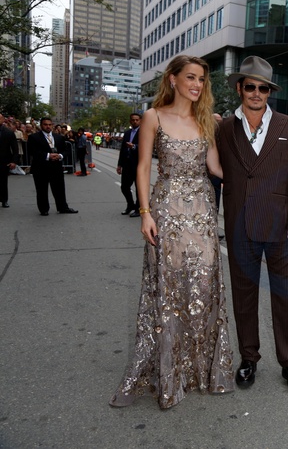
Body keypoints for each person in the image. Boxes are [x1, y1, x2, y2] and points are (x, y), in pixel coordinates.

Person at [109, 55, 234, 409]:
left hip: (202, 213)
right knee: (170, 287)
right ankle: (170, 370)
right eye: (191, 77)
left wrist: (253, 177)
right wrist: (145, 212)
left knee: (204, 286)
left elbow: (214, 167)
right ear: (173, 79)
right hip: (167, 211)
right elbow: (143, 167)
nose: (197, 84)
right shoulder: (153, 116)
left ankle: (198, 367)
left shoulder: (205, 120)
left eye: (201, 79)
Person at [216, 55, 288, 393]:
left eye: (263, 88)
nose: (256, 93)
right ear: (240, 88)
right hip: (240, 225)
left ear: (270, 92)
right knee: (243, 296)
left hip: (282, 226)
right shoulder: (223, 128)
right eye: (250, 86)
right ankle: (249, 357)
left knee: (286, 296)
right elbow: (212, 172)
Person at [28, 117, 78, 216]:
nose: (48, 126)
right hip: (40, 167)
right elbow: (32, 151)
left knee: (59, 188)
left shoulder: (59, 137)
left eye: (50, 124)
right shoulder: (34, 137)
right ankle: (44, 209)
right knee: (41, 189)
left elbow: (66, 150)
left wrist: (60, 155)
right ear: (41, 125)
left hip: (56, 166)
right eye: (45, 124)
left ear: (52, 125)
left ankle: (62, 207)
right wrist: (48, 156)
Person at [116, 114, 141, 216]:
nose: (135, 121)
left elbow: (147, 147)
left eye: (137, 120)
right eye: (133, 120)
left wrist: (134, 146)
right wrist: (119, 165)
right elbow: (122, 149)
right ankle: (130, 205)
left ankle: (138, 209)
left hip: (138, 164)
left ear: (140, 121)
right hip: (127, 164)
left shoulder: (144, 132)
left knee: (139, 188)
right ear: (130, 121)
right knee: (124, 187)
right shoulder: (127, 133)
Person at [0, 113, 19, 208]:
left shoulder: (8, 132)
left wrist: (14, 161)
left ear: (3, 120)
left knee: (3, 181)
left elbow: (15, 148)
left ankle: (4, 200)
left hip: (3, 160)